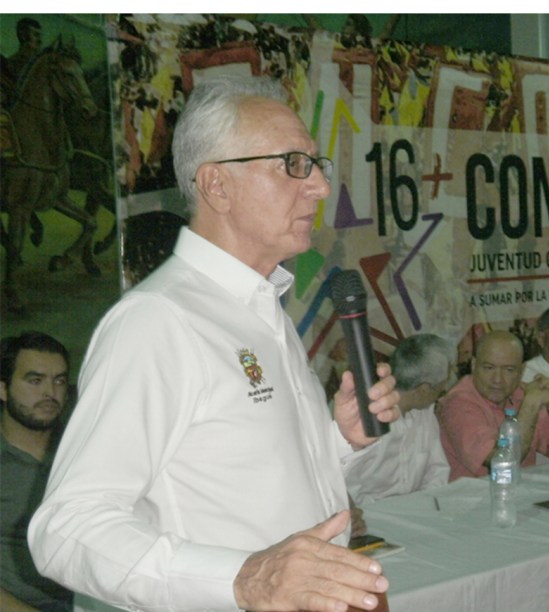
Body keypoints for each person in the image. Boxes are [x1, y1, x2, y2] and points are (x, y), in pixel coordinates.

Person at [28, 75, 400, 612]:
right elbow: (66, 529)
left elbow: (244, 483)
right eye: (293, 164)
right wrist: (243, 578)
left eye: (316, 165)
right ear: (217, 186)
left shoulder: (261, 307)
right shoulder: (159, 320)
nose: (319, 186)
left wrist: (337, 439)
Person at [438, 330, 549, 481]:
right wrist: (530, 406)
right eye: (489, 368)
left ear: (521, 371)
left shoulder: (521, 393)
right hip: (475, 493)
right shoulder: (458, 403)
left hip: (519, 489)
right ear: (474, 365)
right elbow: (504, 462)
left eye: (509, 370)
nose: (497, 379)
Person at [1, 332, 73, 611]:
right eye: (35, 381)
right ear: (3, 389)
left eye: (59, 381)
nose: (50, 393)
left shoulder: (83, 448)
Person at [344, 334, 452, 504]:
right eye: (444, 381)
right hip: (371, 512)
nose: (446, 386)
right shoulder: (367, 417)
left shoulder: (425, 412)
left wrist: (426, 506)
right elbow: (347, 487)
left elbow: (437, 471)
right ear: (424, 389)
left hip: (420, 509)